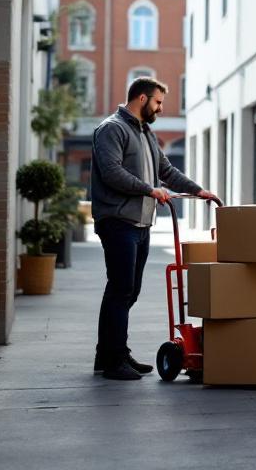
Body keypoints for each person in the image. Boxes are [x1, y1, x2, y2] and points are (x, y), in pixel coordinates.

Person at [90, 77, 219, 380]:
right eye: (158, 102)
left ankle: (109, 353)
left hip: (141, 223)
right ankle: (113, 360)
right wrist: (149, 190)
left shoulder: (146, 132)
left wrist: (199, 190)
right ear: (142, 99)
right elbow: (111, 173)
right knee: (120, 289)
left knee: (128, 291)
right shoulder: (112, 129)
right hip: (118, 221)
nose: (161, 109)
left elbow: (166, 171)